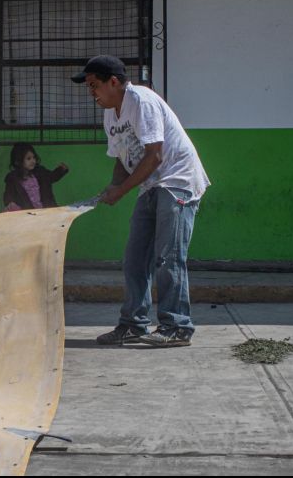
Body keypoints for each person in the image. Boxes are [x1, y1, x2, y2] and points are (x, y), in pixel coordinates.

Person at [71, 55, 210, 347]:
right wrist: (112, 186)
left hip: (177, 182)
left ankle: (177, 327)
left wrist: (120, 193)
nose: (91, 93)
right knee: (135, 259)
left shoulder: (141, 101)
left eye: (94, 86)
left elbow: (154, 156)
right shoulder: (111, 112)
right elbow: (122, 160)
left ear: (114, 82)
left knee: (168, 257)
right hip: (150, 185)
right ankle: (134, 323)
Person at [3, 143, 69, 211]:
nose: (33, 161)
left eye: (34, 157)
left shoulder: (40, 172)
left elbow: (51, 177)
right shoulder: (13, 179)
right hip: (28, 215)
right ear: (18, 161)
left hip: (46, 211)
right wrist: (10, 203)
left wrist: (61, 170)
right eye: (28, 159)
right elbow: (8, 194)